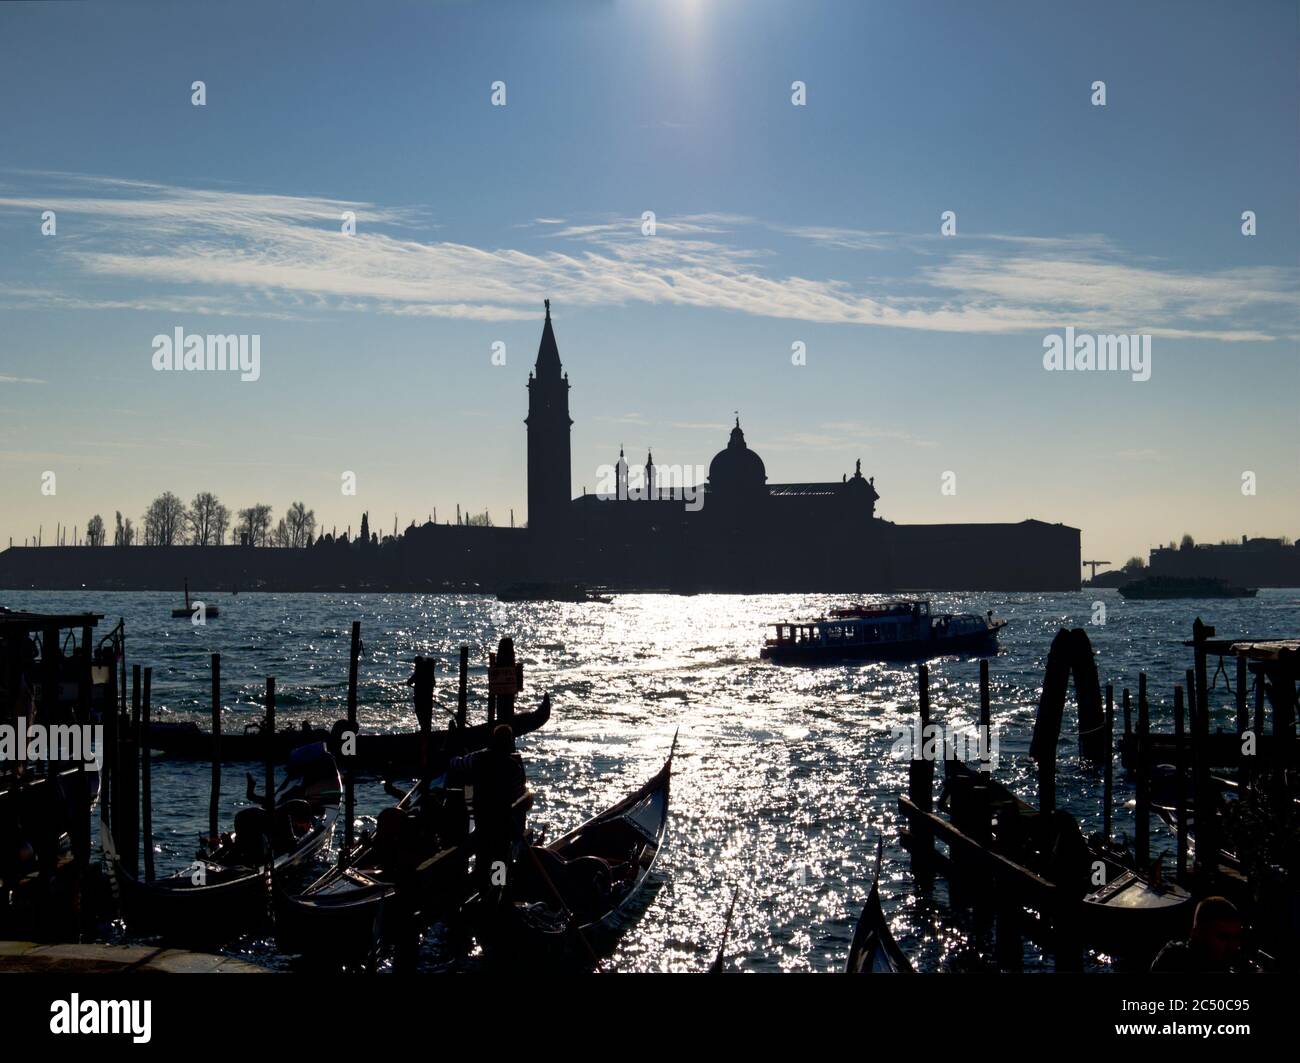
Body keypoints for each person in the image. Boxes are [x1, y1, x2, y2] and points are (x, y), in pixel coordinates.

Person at [447, 724, 528, 895]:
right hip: (502, 820)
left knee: (483, 856)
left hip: (482, 818)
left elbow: (455, 764)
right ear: (509, 742)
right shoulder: (514, 766)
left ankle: (483, 892)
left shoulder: (477, 758)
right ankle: (497, 893)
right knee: (499, 858)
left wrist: (454, 753)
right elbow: (518, 793)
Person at [1150, 896, 1243, 972]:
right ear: (1197, 933)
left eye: (1236, 938)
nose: (1233, 946)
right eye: (1223, 937)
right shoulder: (1174, 961)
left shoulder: (1219, 960)